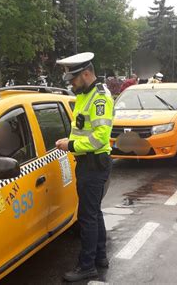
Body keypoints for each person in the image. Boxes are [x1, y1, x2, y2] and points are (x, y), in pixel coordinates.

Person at [55, 52, 114, 282]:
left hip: (93, 163)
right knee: (94, 213)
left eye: (73, 79)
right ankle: (100, 257)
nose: (71, 84)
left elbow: (99, 138)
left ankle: (86, 265)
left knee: (87, 217)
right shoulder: (85, 93)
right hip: (89, 162)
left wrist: (70, 145)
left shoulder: (99, 99)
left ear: (86, 74)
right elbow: (83, 128)